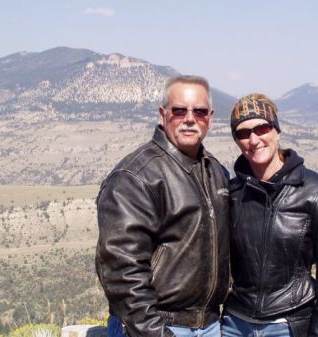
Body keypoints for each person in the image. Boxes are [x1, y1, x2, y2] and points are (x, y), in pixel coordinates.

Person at [95, 75, 230, 337]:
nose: (189, 119)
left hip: (211, 325)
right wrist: (152, 331)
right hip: (157, 326)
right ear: (162, 114)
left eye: (199, 112)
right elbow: (122, 270)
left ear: (210, 118)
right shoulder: (135, 176)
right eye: (179, 110)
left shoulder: (216, 172)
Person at [222, 93, 318, 337]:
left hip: (288, 324)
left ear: (277, 131)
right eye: (242, 133)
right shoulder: (232, 192)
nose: (254, 139)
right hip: (235, 325)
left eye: (262, 128)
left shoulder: (315, 191)